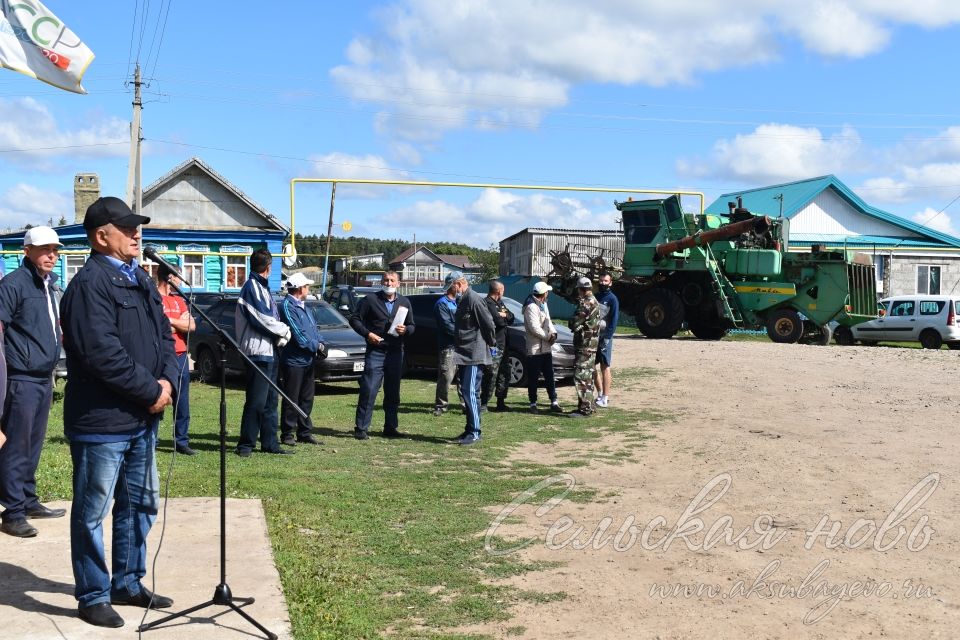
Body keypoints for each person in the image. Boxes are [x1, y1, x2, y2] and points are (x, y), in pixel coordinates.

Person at [59, 197, 178, 628]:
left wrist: (167, 380)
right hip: (102, 422)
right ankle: (92, 594)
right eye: (126, 228)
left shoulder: (140, 279)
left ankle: (127, 582)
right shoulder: (89, 284)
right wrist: (150, 390)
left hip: (142, 419)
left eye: (137, 227)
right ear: (100, 236)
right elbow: (101, 354)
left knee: (139, 504)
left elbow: (165, 334)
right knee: (92, 512)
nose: (136, 233)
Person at [0, 226, 66, 539]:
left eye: (55, 249)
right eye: (44, 249)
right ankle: (12, 512)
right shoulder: (13, 284)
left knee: (34, 444)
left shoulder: (51, 284)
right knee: (16, 445)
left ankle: (27, 500)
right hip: (20, 378)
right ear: (26, 251)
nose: (51, 255)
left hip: (44, 377)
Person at [235, 248, 293, 457]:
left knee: (270, 400)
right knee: (256, 401)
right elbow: (259, 318)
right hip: (257, 351)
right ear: (268, 268)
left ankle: (270, 443)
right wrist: (285, 330)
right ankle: (245, 445)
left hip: (270, 351)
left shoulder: (262, 286)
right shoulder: (252, 287)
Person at [349, 270, 415, 440]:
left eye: (392, 280)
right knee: (369, 389)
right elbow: (355, 319)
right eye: (386, 280)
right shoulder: (370, 300)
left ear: (398, 283)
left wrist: (406, 330)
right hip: (376, 351)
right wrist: (367, 334)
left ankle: (391, 427)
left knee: (393, 391)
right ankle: (361, 428)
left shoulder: (404, 302)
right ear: (381, 282)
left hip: (395, 352)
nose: (389, 283)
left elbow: (412, 325)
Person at [278, 272, 325, 446]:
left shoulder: (304, 306)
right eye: (306, 286)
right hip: (294, 361)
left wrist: (321, 342)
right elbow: (298, 334)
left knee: (307, 397)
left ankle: (304, 431)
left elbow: (313, 328)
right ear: (299, 288)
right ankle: (287, 433)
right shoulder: (288, 306)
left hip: (307, 360)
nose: (308, 288)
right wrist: (315, 346)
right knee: (292, 398)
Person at [156, 262, 196, 455]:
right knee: (156, 396)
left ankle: (181, 441)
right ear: (169, 277)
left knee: (182, 401)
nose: (181, 281)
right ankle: (152, 440)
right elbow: (156, 328)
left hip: (180, 355)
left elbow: (192, 326)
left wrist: (170, 321)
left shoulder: (180, 301)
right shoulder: (152, 298)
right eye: (178, 276)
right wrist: (179, 324)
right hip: (159, 356)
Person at [451, 274, 496, 445]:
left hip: (473, 355)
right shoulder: (464, 299)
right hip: (464, 353)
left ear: (460, 284)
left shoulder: (473, 299)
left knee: (470, 393)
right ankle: (470, 429)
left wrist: (490, 344)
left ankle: (475, 432)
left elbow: (488, 324)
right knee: (468, 393)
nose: (451, 291)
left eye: (452, 287)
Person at [523, 281, 562, 413]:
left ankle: (554, 401)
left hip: (545, 348)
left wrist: (554, 333)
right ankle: (533, 403)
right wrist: (547, 336)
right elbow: (534, 328)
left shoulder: (543, 304)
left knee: (550, 376)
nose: (548, 294)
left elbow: (548, 321)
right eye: (547, 292)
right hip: (534, 348)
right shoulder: (531, 306)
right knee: (533, 378)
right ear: (543, 293)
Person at [568, 277, 601, 417]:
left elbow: (574, 322)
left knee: (580, 376)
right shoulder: (594, 301)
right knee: (587, 376)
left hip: (585, 345)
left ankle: (585, 409)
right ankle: (588, 406)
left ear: (580, 290)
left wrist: (573, 322)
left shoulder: (586, 303)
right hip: (591, 345)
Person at [432, 272, 463, 416]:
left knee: (463, 377)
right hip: (448, 346)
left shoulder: (461, 301)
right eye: (456, 285)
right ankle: (441, 405)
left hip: (462, 346)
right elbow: (447, 326)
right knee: (446, 376)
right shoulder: (442, 303)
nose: (459, 287)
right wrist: (464, 335)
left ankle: (465, 404)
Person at [481, 280, 514, 412]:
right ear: (498, 291)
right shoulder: (487, 303)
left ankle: (501, 401)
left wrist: (504, 315)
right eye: (503, 290)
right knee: (491, 373)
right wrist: (503, 317)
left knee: (504, 373)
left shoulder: (500, 303)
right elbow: (498, 322)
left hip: (504, 344)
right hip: (493, 345)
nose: (503, 292)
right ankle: (483, 403)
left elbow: (511, 317)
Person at [594, 271, 620, 408]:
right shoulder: (596, 296)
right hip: (594, 337)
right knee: (591, 365)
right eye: (601, 280)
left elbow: (614, 321)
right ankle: (599, 394)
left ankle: (605, 397)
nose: (603, 283)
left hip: (605, 338)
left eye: (606, 281)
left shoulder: (612, 299)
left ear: (610, 283)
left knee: (605, 366)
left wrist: (607, 338)